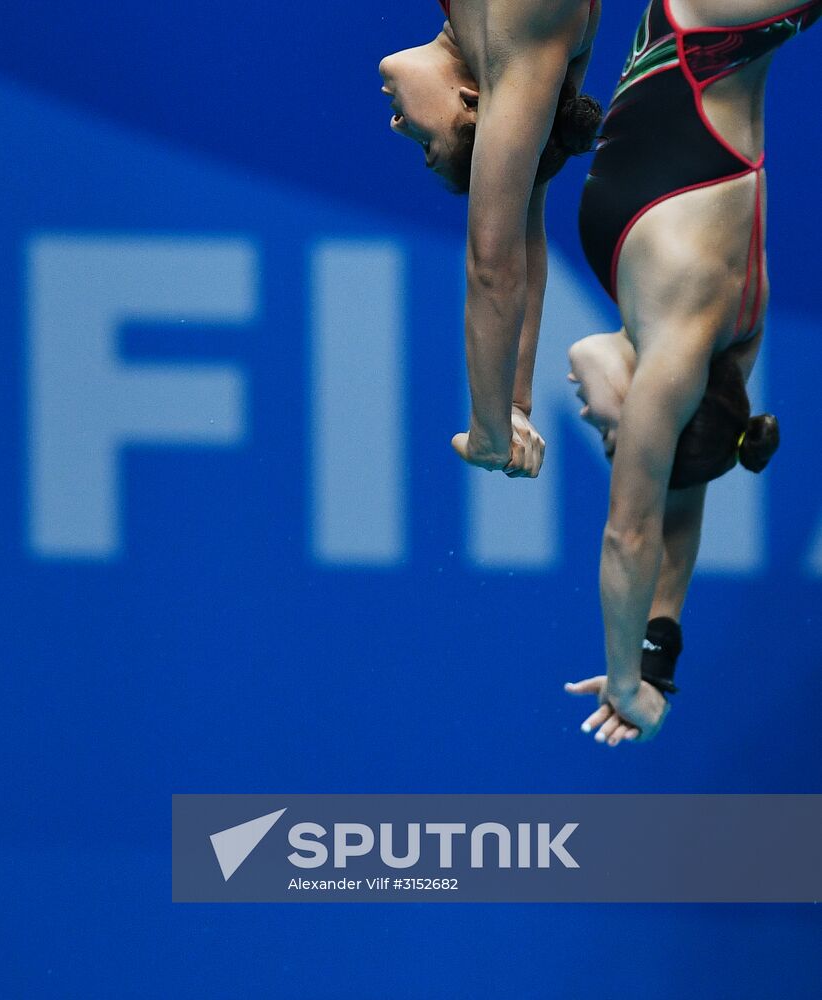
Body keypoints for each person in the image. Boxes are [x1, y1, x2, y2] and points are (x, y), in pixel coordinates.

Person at [564, 0, 818, 746]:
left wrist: (657, 660)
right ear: (660, 410)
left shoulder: (726, 350)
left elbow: (676, 515)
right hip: (706, 30)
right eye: (618, 440)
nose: (599, 427)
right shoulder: (674, 351)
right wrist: (620, 679)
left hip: (715, 33)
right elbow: (631, 535)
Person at [379, 1, 601, 479]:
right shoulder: (522, 41)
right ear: (470, 102)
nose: (396, 126)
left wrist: (513, 404)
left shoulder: (523, 43)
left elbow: (525, 227)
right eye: (427, 143)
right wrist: (490, 428)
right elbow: (495, 264)